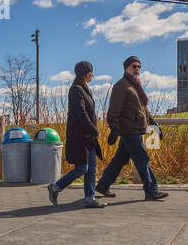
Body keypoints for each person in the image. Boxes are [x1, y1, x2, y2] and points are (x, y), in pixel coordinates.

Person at [93, 55, 169, 202]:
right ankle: (151, 191)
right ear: (126, 68)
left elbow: (144, 110)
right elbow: (113, 111)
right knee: (142, 159)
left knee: (120, 160)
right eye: (134, 66)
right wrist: (114, 129)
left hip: (135, 129)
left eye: (139, 66)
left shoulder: (135, 86)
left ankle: (102, 185)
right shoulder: (121, 86)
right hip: (129, 130)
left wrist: (155, 125)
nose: (137, 69)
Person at [48, 61, 103, 207]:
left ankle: (90, 198)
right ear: (87, 74)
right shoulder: (76, 90)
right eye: (91, 72)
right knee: (82, 168)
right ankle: (55, 187)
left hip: (88, 138)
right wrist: (94, 130)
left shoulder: (84, 89)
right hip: (79, 137)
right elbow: (81, 113)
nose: (92, 75)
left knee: (91, 169)